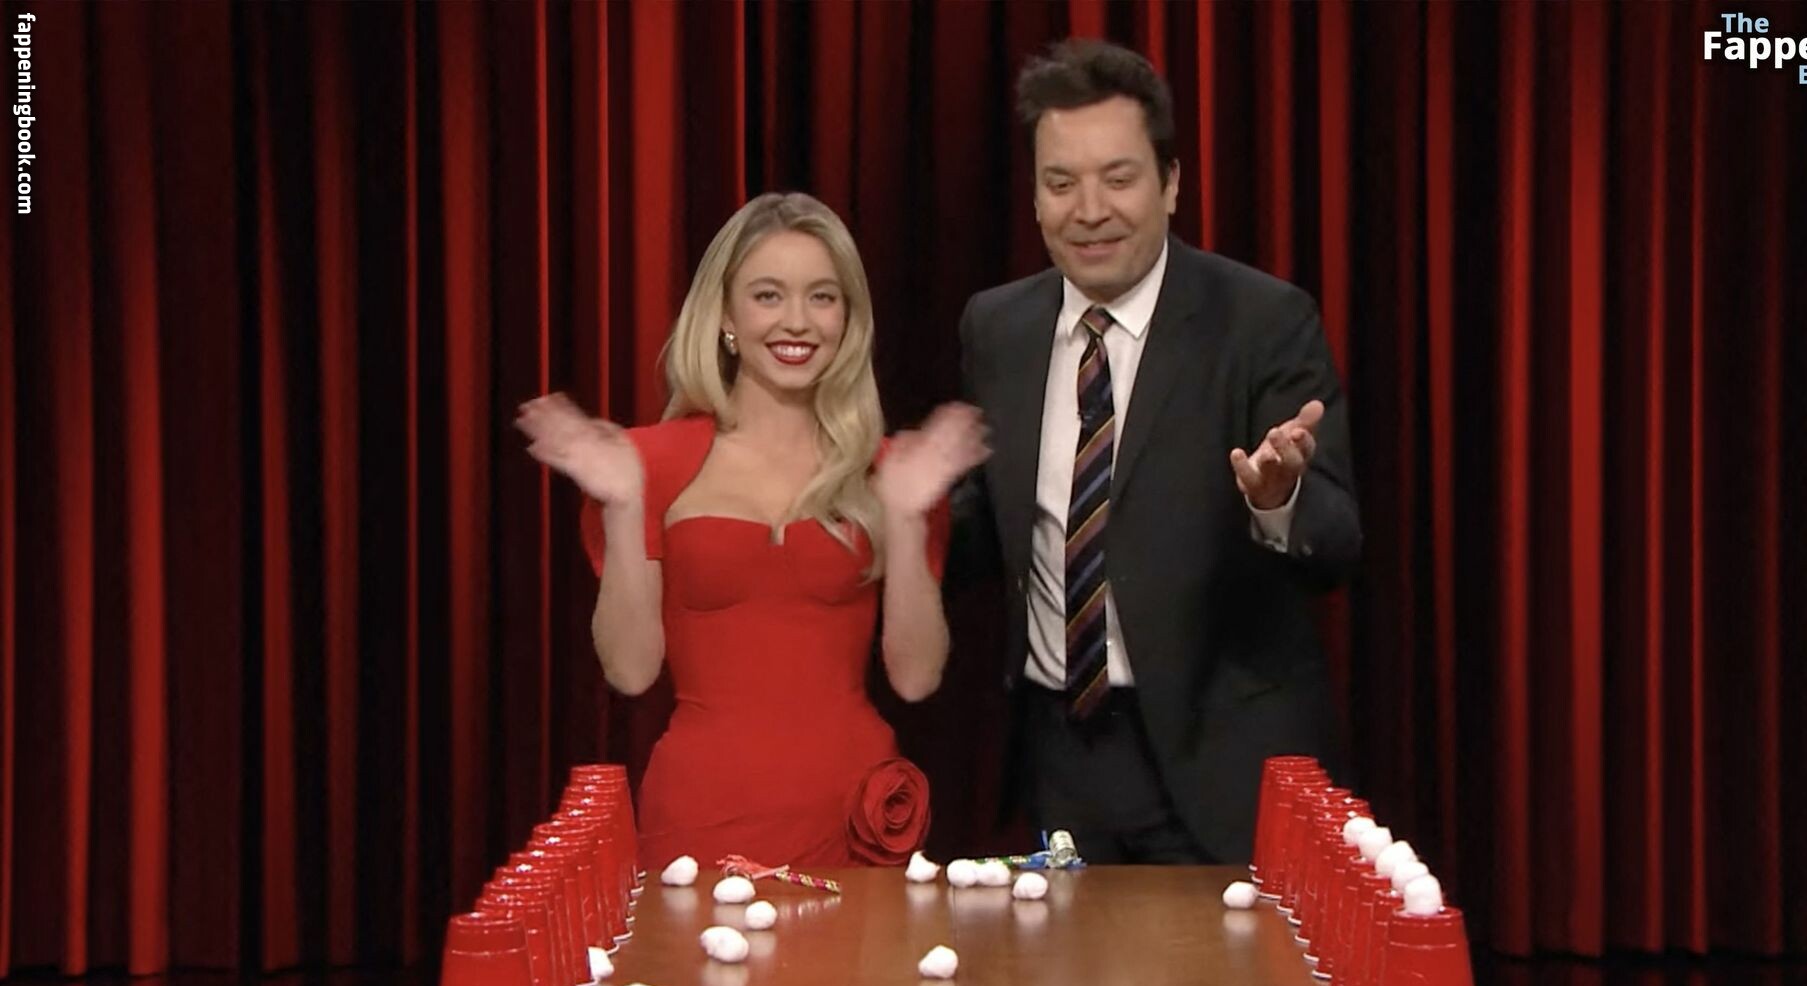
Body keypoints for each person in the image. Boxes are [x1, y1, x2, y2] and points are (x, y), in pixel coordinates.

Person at [953, 40, 1362, 864]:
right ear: (1034, 197)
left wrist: (1276, 499)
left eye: (1119, 178)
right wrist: (896, 509)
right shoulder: (996, 328)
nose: (1089, 210)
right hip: (1062, 760)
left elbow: (1336, 543)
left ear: (1171, 183)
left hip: (1219, 766)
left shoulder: (1261, 321)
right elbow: (984, 528)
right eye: (1060, 183)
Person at [518, 192, 988, 871]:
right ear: (726, 317)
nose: (797, 320)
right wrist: (621, 506)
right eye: (768, 295)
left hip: (853, 817)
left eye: (822, 297)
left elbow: (915, 679)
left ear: (848, 318)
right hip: (700, 817)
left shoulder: (892, 472)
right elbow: (630, 669)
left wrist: (908, 518)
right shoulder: (643, 466)